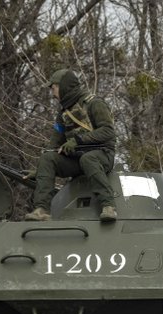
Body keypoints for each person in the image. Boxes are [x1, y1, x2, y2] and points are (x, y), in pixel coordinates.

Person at [25, 69, 119, 222]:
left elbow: (108, 132)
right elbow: (54, 144)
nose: (53, 93)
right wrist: (41, 170)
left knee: (88, 159)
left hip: (102, 155)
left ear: (64, 87)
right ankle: (41, 210)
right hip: (78, 160)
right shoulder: (63, 113)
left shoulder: (94, 103)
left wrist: (78, 140)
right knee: (48, 158)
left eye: (54, 88)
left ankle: (108, 206)